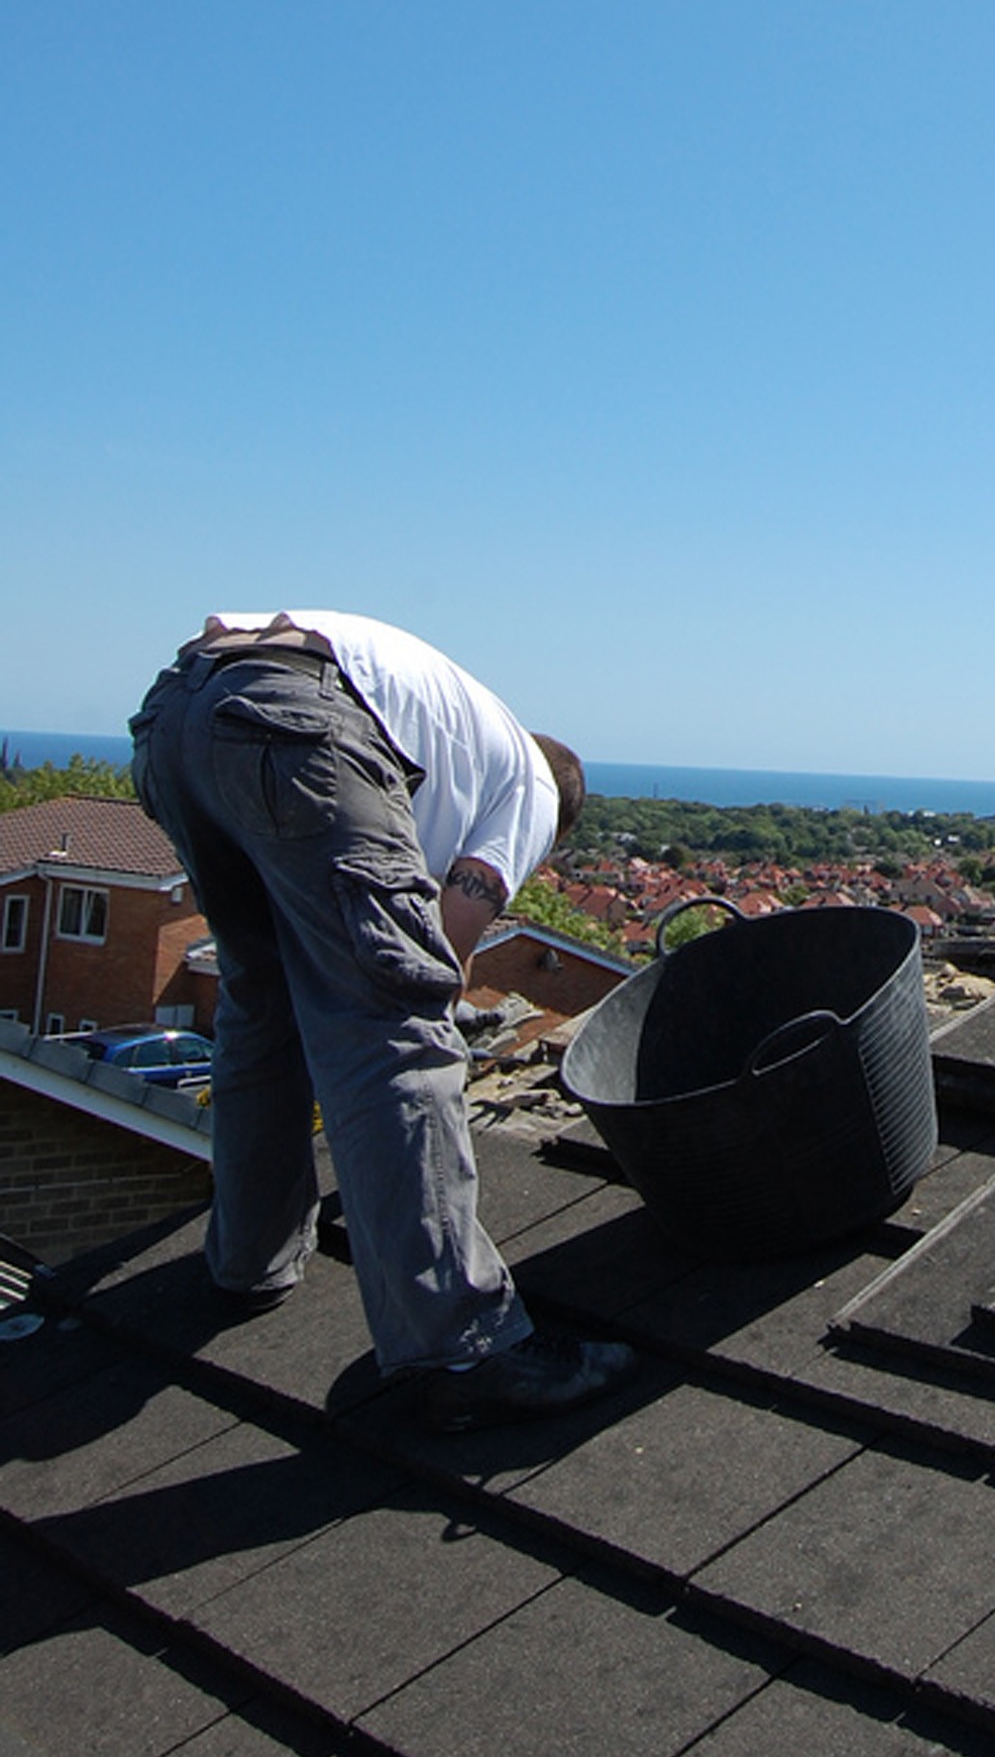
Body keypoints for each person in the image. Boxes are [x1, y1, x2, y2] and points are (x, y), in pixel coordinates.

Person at [130, 610, 635, 1431]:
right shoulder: (537, 790)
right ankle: (463, 1347)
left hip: (179, 717)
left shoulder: (461, 739)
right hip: (290, 720)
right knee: (394, 1024)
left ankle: (250, 1259)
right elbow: (442, 955)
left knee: (263, 1005)